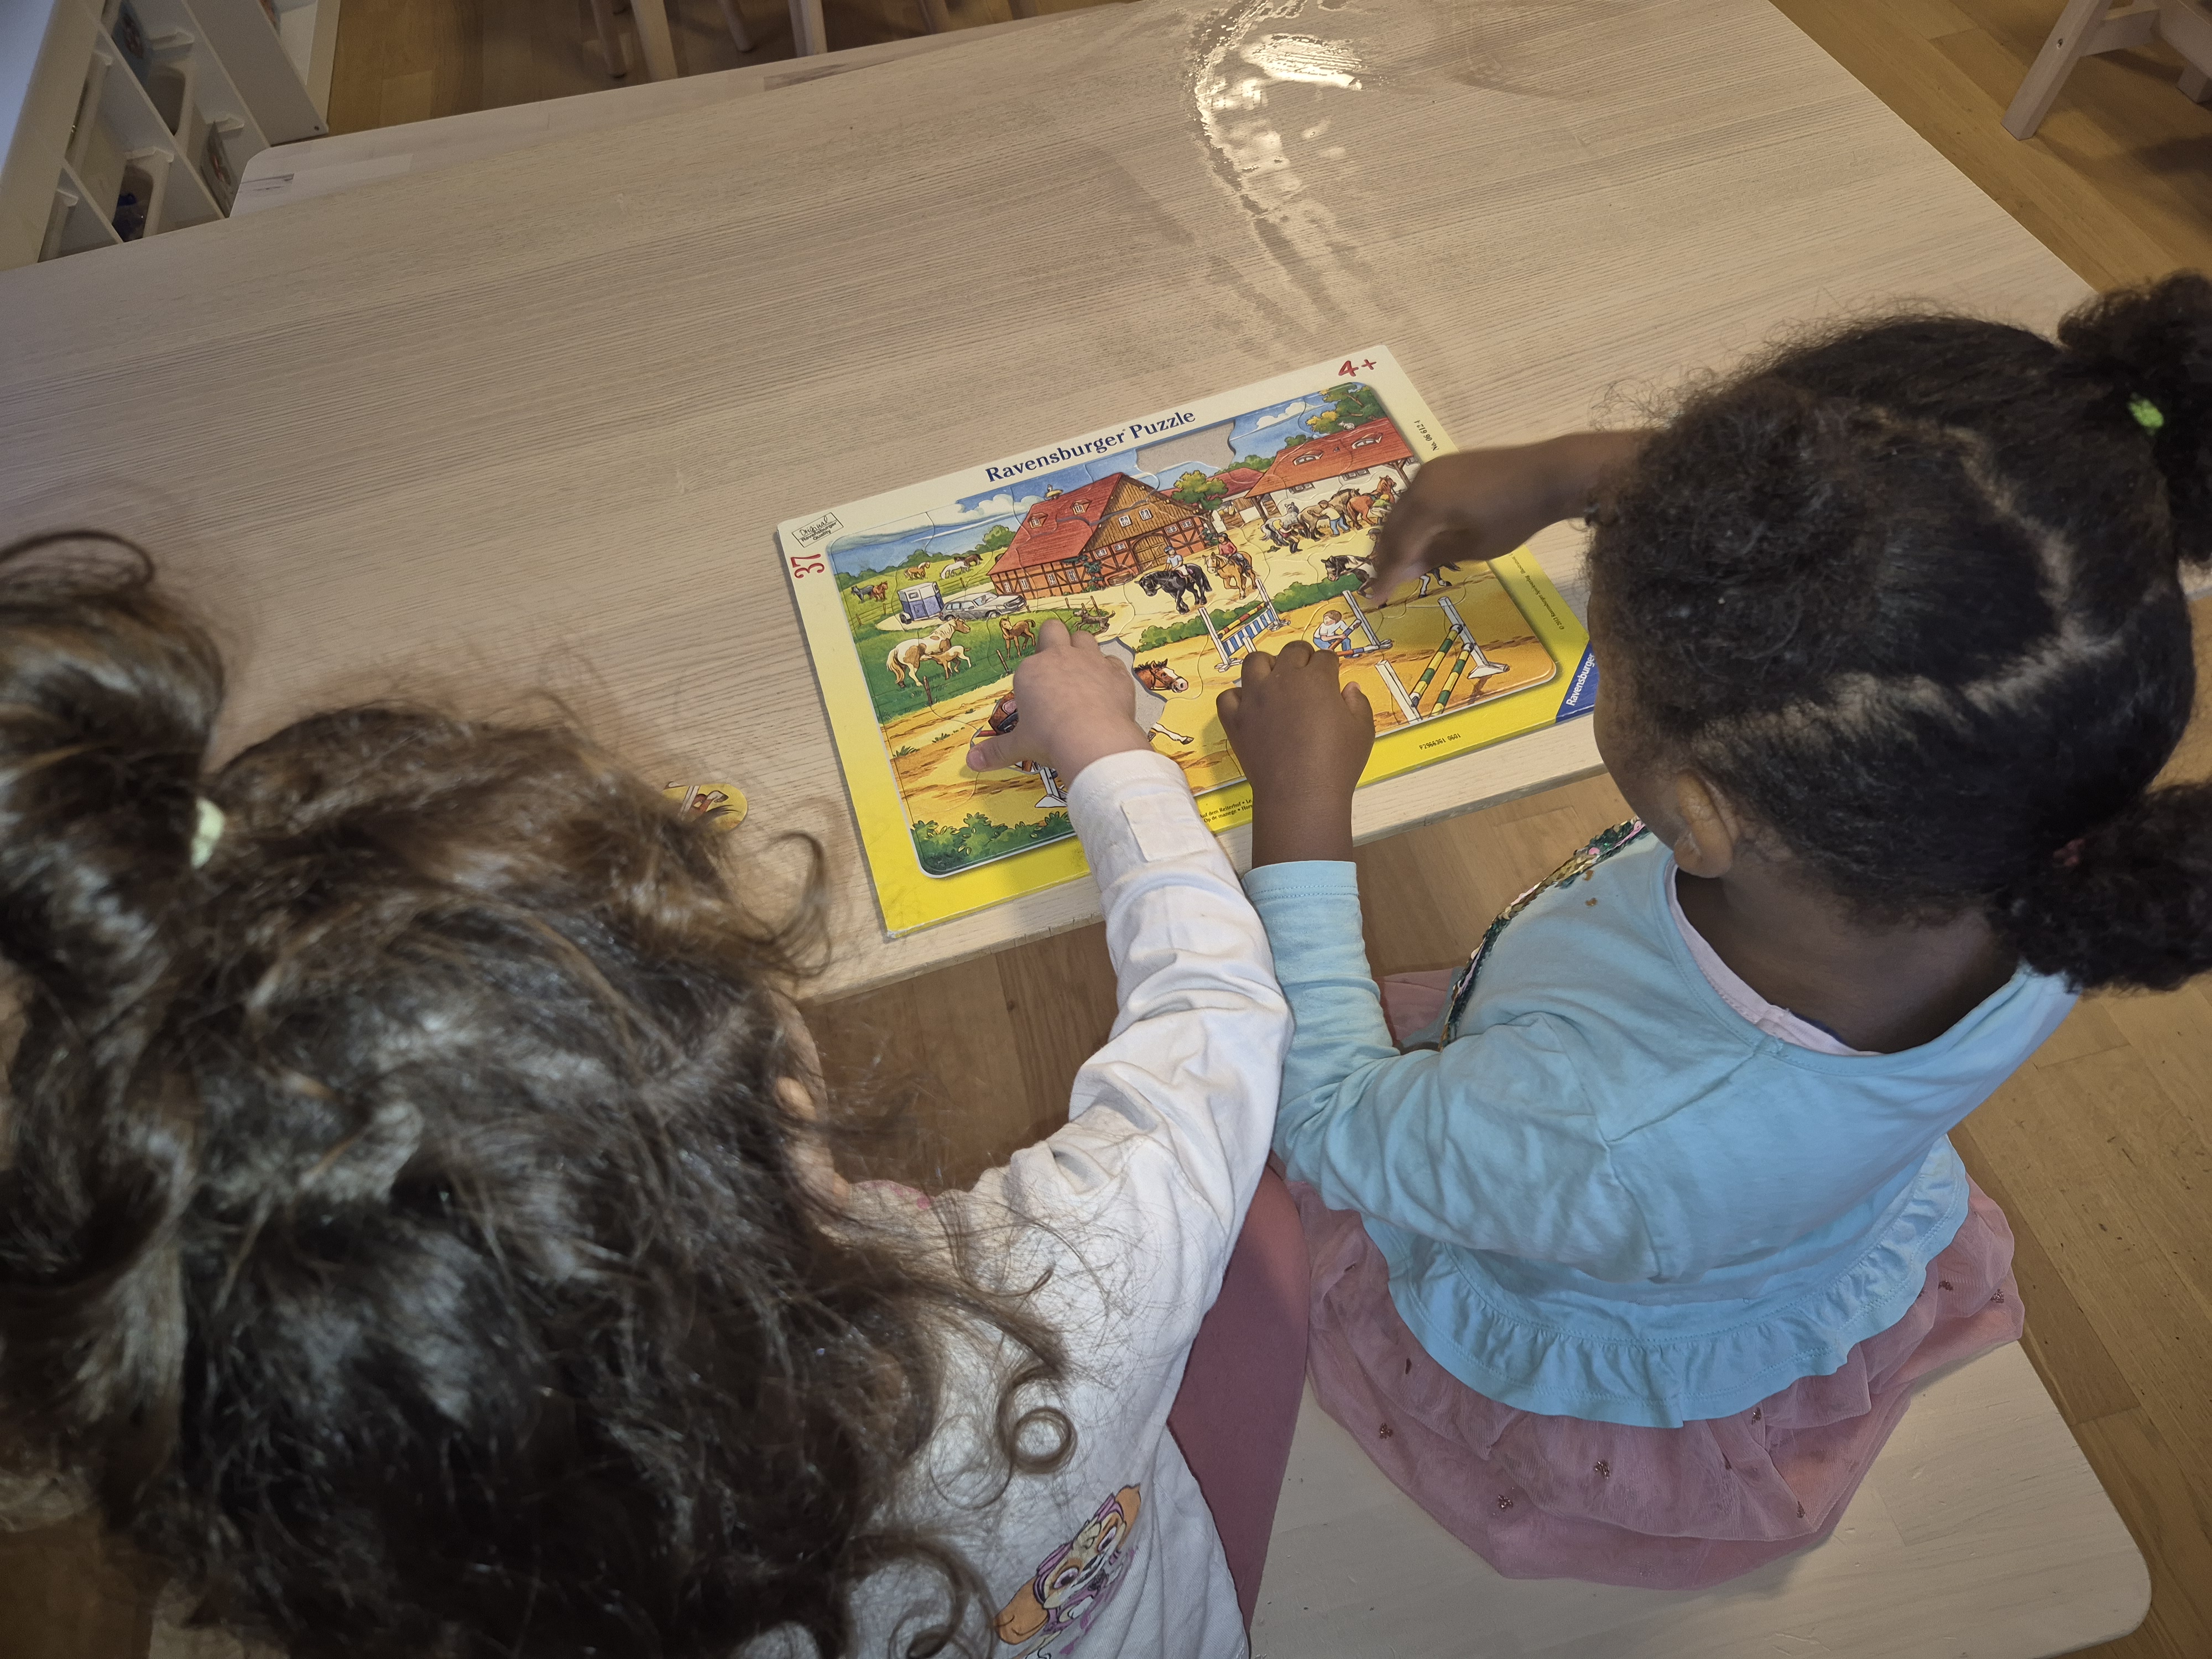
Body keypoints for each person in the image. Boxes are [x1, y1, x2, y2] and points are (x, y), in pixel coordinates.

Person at [0, 542, 1305, 1659]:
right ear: (767, 1109)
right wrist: (1105, 752)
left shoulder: (407, 1568)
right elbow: (1214, 1019)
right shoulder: (1058, 1314)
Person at [1214, 274, 2212, 1589]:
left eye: (1612, 661)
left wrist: (1298, 811)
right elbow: (1883, 537)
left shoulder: (1599, 1136)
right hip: (1776, 1197)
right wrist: (1569, 472)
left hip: (1610, 1248)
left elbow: (1331, 1124)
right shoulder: (2056, 835)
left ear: (1697, 813)